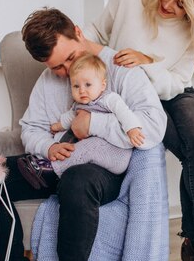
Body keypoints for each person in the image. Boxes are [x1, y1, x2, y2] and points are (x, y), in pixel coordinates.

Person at [0, 8, 166, 261]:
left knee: (77, 180)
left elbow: (153, 127)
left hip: (100, 168)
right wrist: (47, 147)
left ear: (78, 32)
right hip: (55, 161)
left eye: (69, 58)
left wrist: (93, 123)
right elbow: (31, 129)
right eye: (56, 66)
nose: (66, 71)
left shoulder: (121, 68)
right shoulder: (48, 80)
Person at [84, 0, 194, 261]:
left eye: (180, 5)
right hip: (135, 95)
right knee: (189, 155)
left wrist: (147, 63)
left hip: (172, 90)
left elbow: (177, 81)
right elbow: (94, 33)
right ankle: (191, 245)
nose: (168, 4)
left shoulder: (193, 30)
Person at [17, 53, 145, 188]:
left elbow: (124, 113)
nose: (82, 90)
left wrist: (132, 129)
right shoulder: (79, 105)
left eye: (88, 85)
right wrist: (58, 126)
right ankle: (45, 165)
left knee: (89, 145)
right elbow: (71, 117)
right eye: (76, 86)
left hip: (116, 154)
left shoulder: (109, 99)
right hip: (94, 159)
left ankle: (50, 171)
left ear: (102, 85)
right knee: (76, 147)